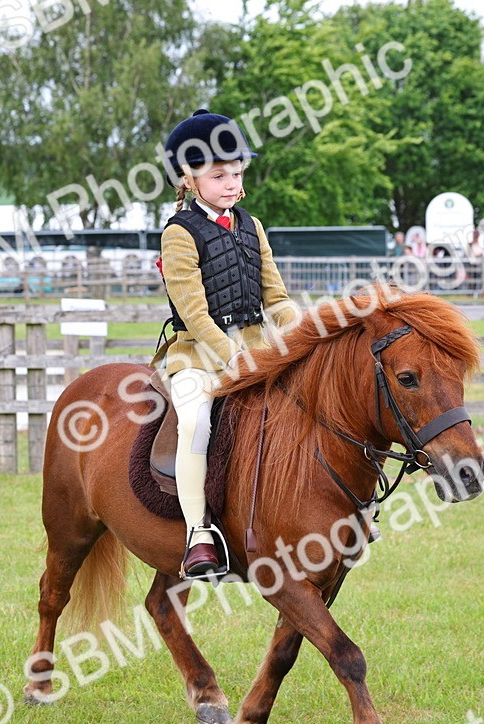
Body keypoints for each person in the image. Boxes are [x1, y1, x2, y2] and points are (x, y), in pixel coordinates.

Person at [155, 108, 299, 579]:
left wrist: (305, 333)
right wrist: (235, 357)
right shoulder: (178, 234)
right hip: (198, 357)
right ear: (189, 178)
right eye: (219, 176)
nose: (232, 184)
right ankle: (198, 533)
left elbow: (277, 298)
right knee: (196, 422)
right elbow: (195, 315)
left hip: (257, 349)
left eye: (236, 173)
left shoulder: (251, 225)